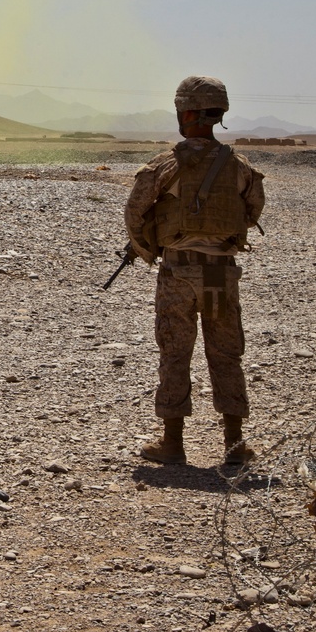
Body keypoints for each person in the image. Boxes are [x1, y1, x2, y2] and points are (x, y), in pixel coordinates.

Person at [124, 76, 265, 466]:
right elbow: (252, 211)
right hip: (221, 273)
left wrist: (149, 249)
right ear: (218, 113)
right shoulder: (239, 165)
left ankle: (172, 445)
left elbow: (135, 212)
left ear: (185, 112)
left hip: (178, 273)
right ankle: (235, 448)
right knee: (226, 354)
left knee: (175, 352)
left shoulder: (166, 163)